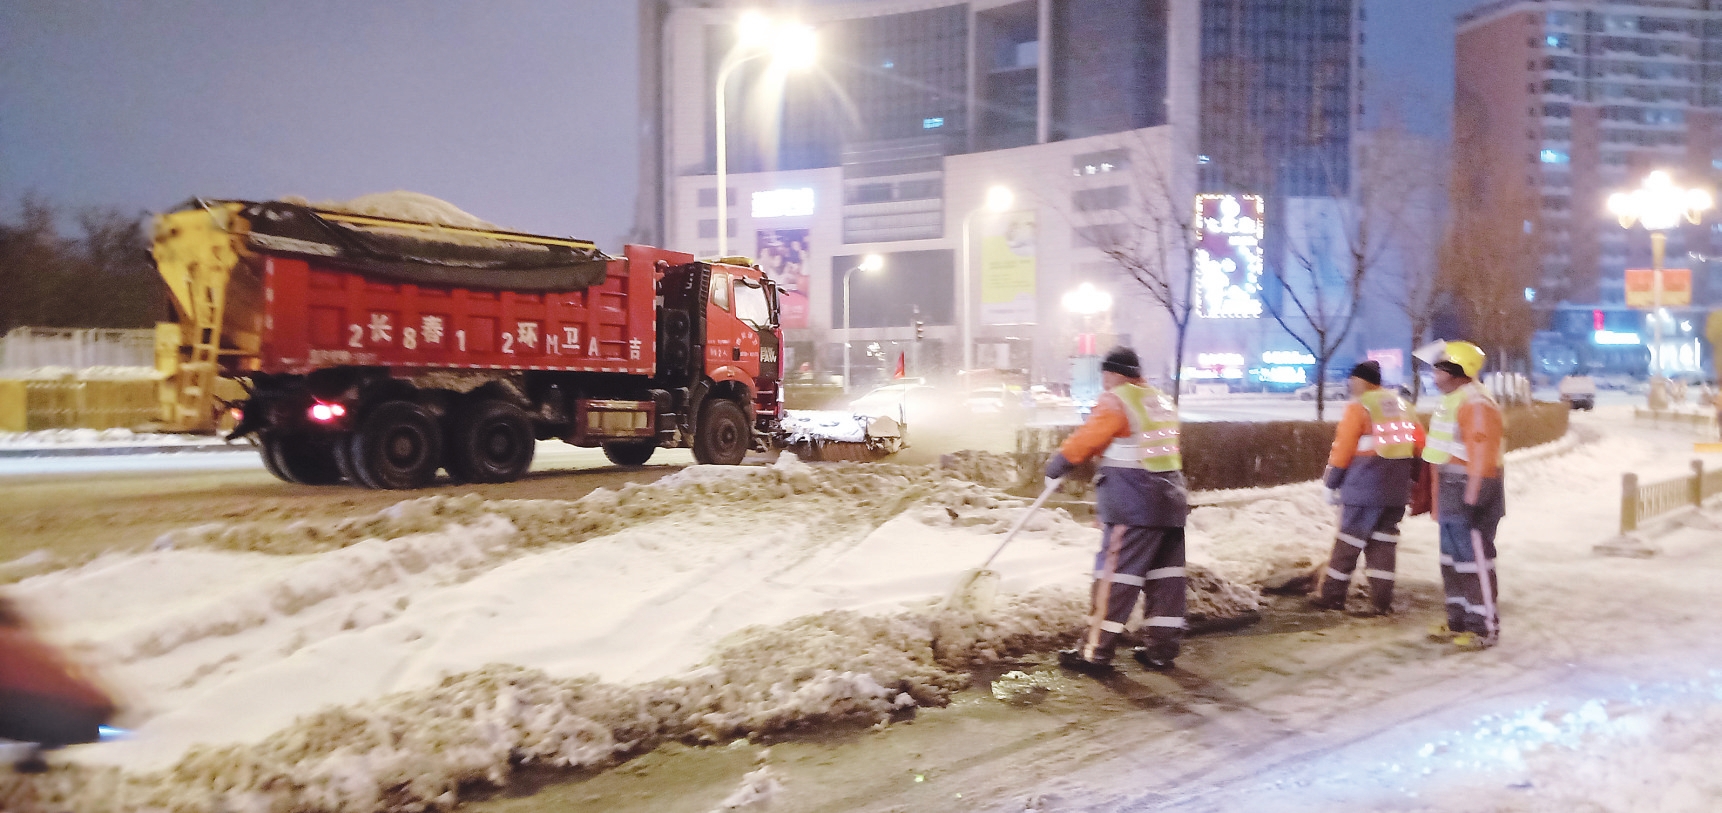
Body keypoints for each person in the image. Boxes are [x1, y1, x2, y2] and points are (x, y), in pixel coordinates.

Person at [1044, 346, 1189, 674]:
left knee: (1115, 577)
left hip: (1133, 503)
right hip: (1170, 501)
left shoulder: (1117, 399)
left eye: (1104, 375)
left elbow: (1088, 438)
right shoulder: (1160, 399)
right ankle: (1162, 650)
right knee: (1166, 579)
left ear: (1112, 373)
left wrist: (1058, 464)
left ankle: (1095, 653)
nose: (1104, 382)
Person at [1310, 360, 1424, 615]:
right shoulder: (1404, 406)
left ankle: (1332, 596)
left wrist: (1331, 482)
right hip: (1396, 491)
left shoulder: (1360, 407)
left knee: (1348, 543)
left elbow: (1343, 447)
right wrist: (1414, 479)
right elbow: (1419, 446)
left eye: (1353, 379)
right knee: (1383, 544)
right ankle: (1381, 602)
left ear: (1362, 380)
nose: (1350, 384)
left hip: (1364, 486)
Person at [1416, 340, 1505, 651]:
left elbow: (1482, 454)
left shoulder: (1475, 403)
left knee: (1474, 561)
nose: (1433, 375)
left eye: (1438, 369)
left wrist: (1473, 496)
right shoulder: (1455, 400)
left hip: (1469, 492)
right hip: (1452, 491)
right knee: (1452, 561)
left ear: (1456, 371)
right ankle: (1458, 621)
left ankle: (1483, 628)